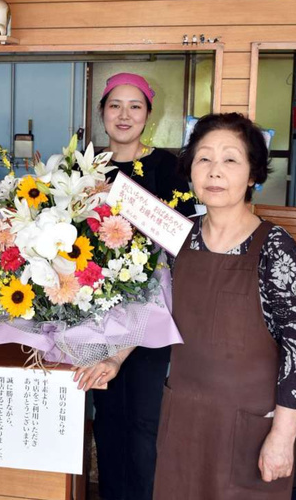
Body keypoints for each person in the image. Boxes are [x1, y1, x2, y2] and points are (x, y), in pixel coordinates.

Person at [153, 113, 296, 499]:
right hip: (184, 421)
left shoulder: (275, 247)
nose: (214, 171)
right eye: (203, 158)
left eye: (230, 160)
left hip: (250, 429)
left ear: (253, 174)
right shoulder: (177, 238)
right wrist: (113, 358)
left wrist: (283, 435)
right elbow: (151, 312)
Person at [90, 72, 195, 500]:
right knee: (108, 413)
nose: (124, 114)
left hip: (151, 311)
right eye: (115, 105)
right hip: (95, 312)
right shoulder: (85, 165)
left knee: (145, 418)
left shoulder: (168, 166)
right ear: (102, 113)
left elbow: (182, 235)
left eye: (135, 106)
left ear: (149, 114)